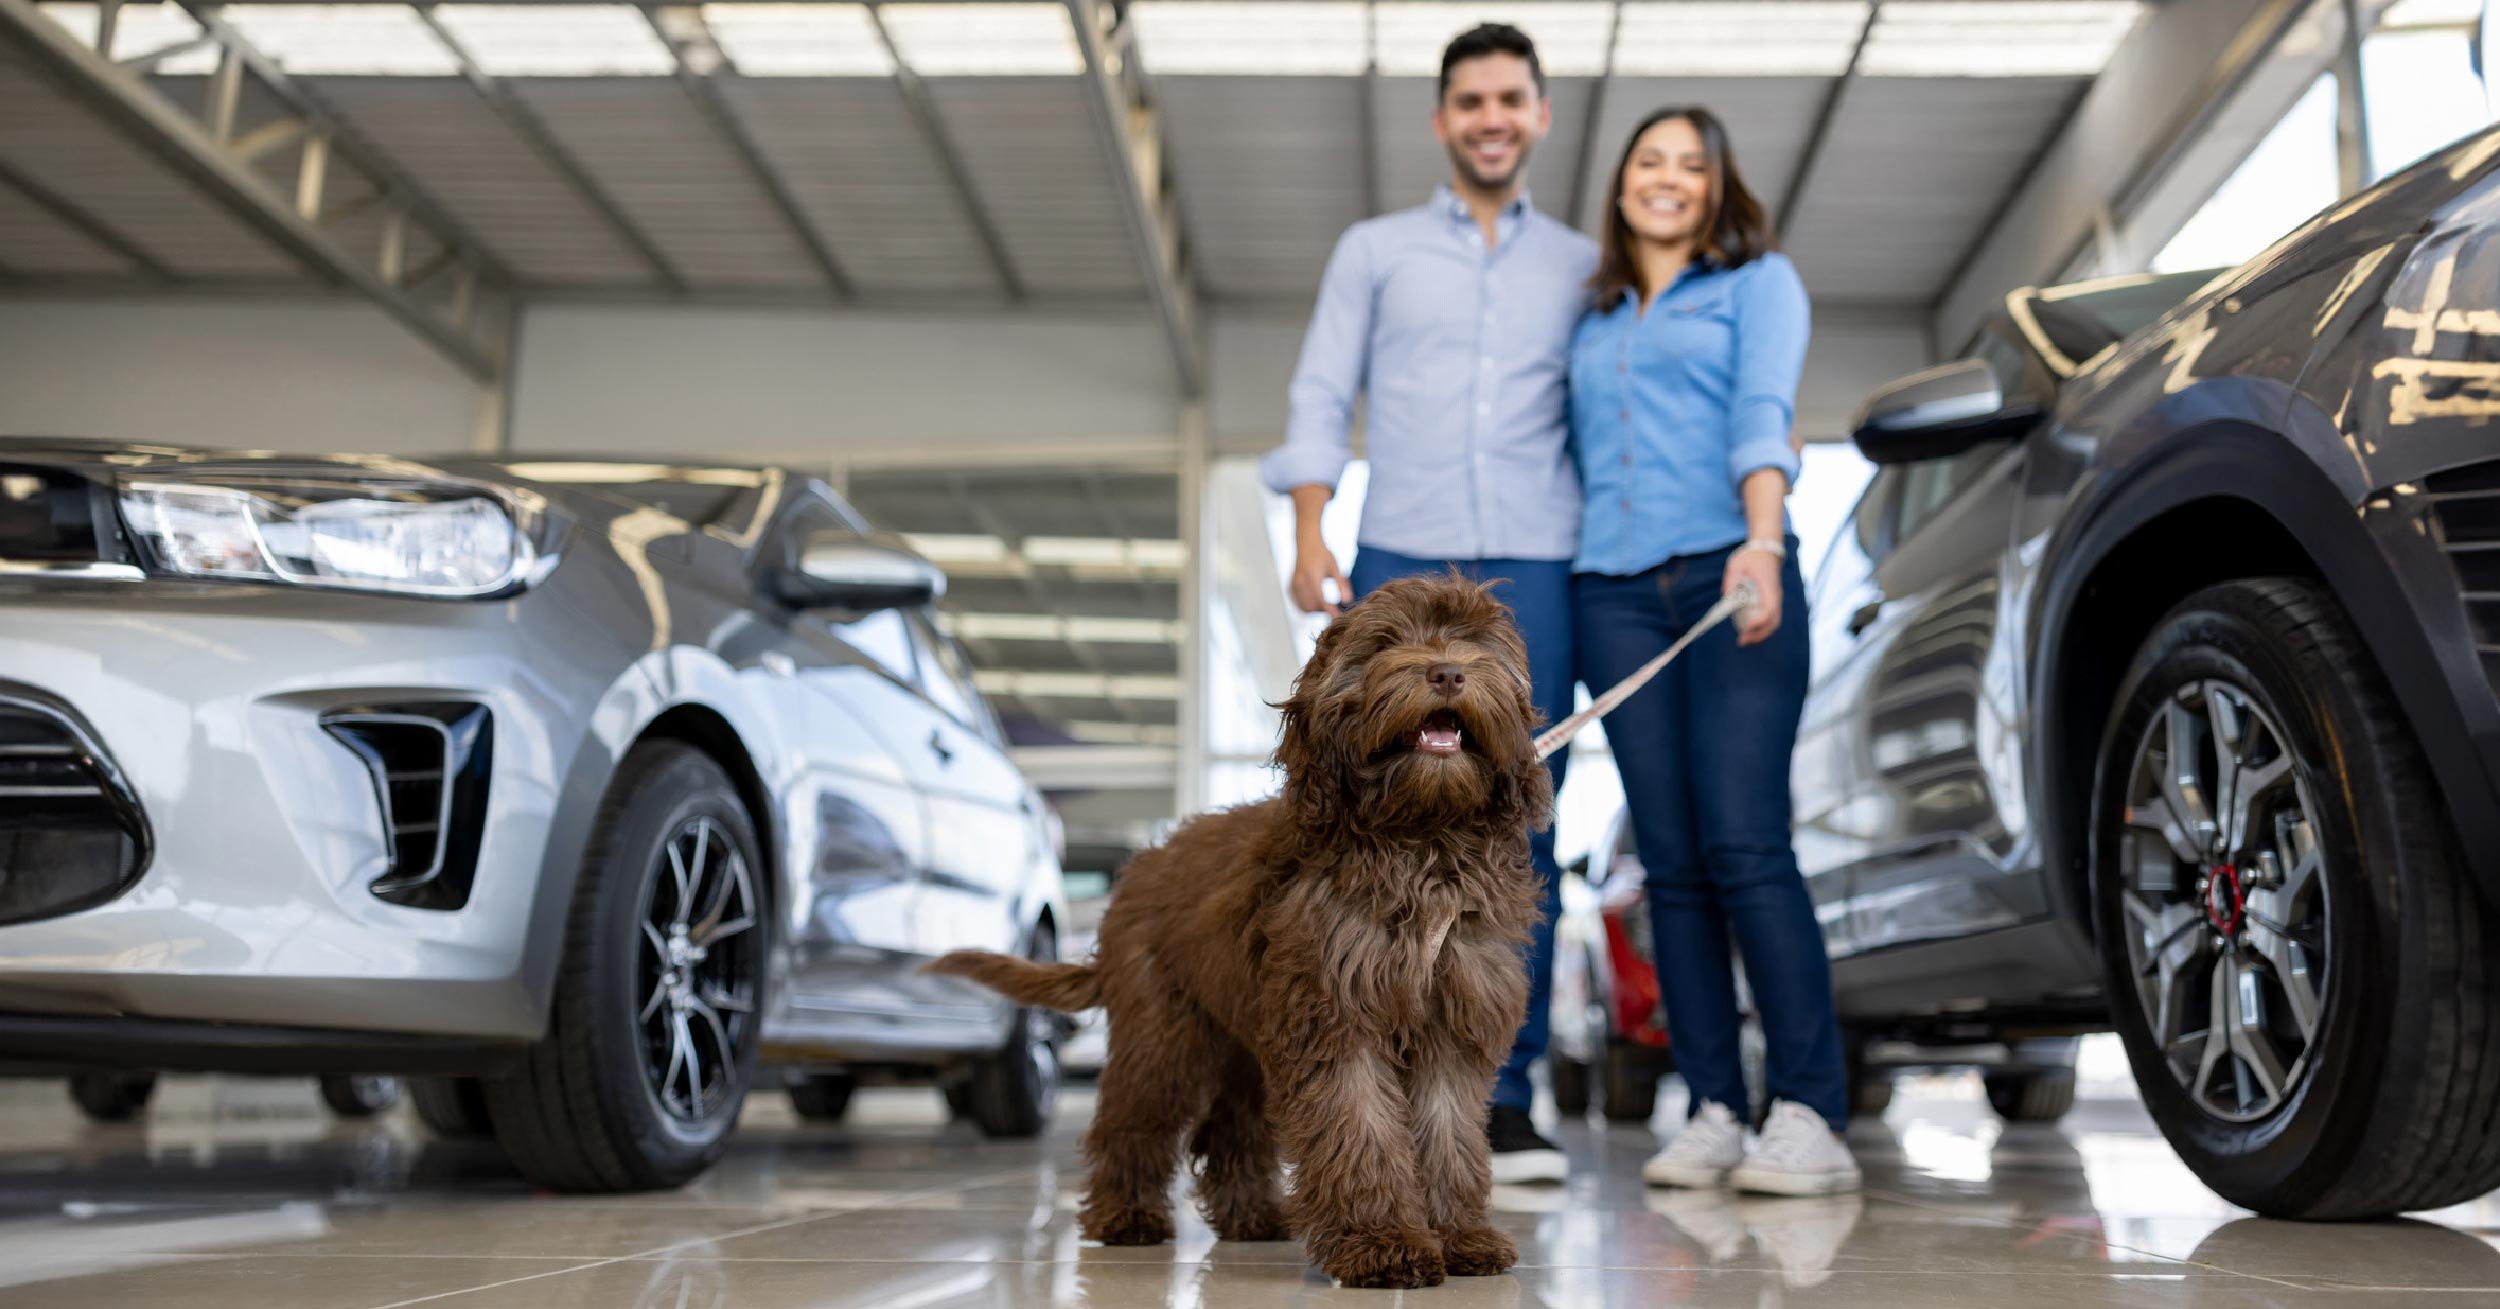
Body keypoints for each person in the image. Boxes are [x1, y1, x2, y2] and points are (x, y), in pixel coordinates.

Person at [1259, 22, 1595, 1185]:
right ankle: (1363, 1054)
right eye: (1470, 100)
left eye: (1511, 98)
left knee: (1512, 816)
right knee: (1369, 810)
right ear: (1441, 119)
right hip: (1399, 543)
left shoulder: (1580, 262)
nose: (1491, 117)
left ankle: (1501, 1096)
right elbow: (1319, 385)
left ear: (1540, 114)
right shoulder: (1376, 249)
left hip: (1541, 556)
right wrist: (1309, 526)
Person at [1567, 106, 1861, 1195]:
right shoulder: (1590, 321)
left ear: (1717, 188)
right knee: (1672, 868)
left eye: (1693, 166)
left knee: (1745, 843)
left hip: (1726, 573)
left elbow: (1761, 411)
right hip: (1610, 592)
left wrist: (1763, 538)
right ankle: (1712, 1109)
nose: (1670, 179)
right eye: (1651, 160)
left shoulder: (1756, 285)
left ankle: (1809, 1112)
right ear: (1621, 182)